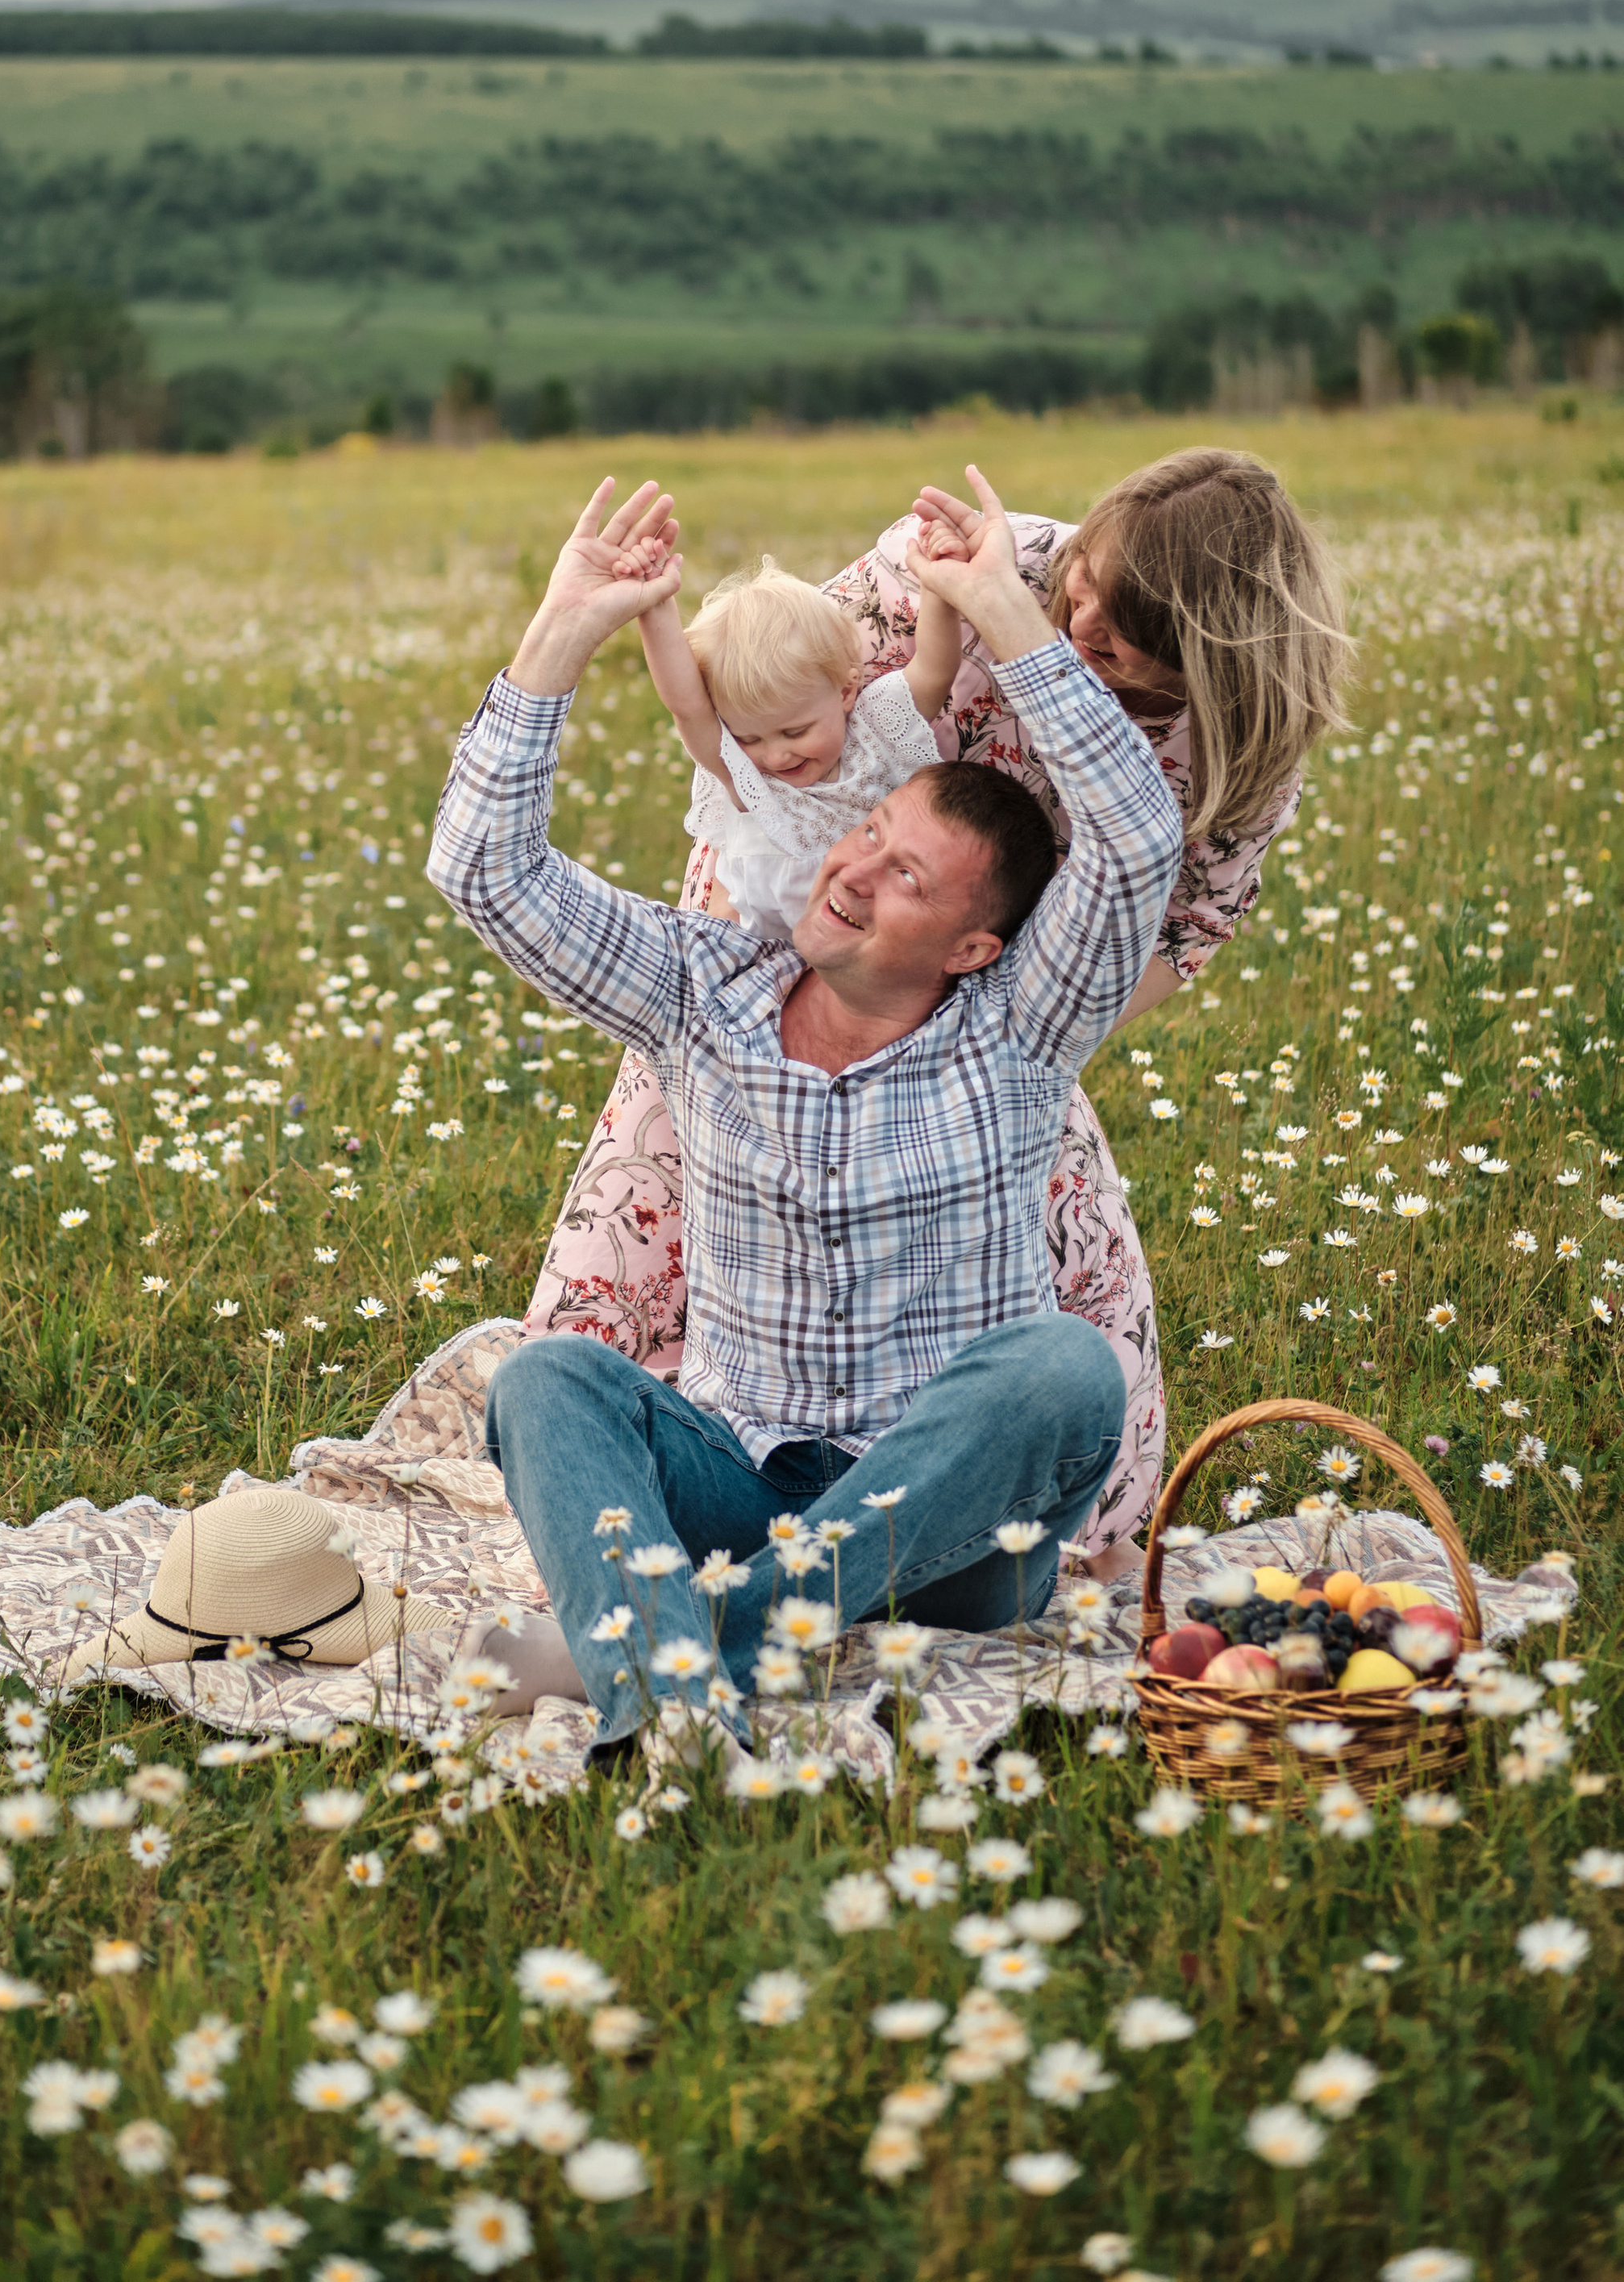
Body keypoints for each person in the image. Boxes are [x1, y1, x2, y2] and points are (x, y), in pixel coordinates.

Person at [427, 468, 1185, 1759]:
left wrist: (1005, 611)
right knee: (544, 1377)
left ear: (975, 947)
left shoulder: (1019, 1029)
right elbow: (483, 872)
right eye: (867, 832)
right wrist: (563, 630)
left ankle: (680, 1652)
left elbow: (1139, 844)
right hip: (742, 1487)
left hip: (956, 1539)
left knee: (1063, 1369)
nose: (852, 869)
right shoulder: (702, 989)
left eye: (907, 878)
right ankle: (690, 1712)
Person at [521, 447, 1350, 1572]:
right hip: (797, 930)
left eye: (1120, 633)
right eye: (1083, 584)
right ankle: (667, 1504)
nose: (1081, 617)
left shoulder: (1238, 743)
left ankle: (948, 1541)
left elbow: (1187, 926)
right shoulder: (970, 564)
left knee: (1027, 1286)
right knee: (670, 1222)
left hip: (1006, 1000)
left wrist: (1011, 1039)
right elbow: (763, 723)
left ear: (1207, 655)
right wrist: (765, 1001)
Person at [636, 547, 961, 940]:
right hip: (762, 961)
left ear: (845, 691)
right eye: (749, 737)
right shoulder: (747, 780)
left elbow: (935, 670)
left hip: (869, 957)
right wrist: (653, 605)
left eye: (796, 732)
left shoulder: (875, 734)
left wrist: (939, 585)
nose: (776, 756)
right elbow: (686, 706)